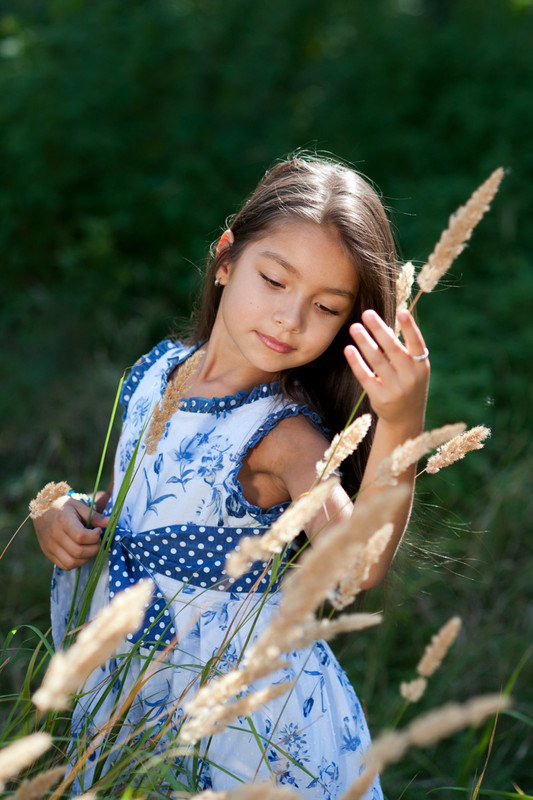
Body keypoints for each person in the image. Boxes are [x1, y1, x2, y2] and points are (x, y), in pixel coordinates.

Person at [33, 155, 430, 797]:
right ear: (226, 258)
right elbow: (127, 507)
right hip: (139, 693)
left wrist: (402, 421)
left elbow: (358, 567)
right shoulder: (157, 372)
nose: (290, 320)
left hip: (249, 734)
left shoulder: (285, 439)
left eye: (326, 308)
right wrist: (65, 511)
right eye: (274, 281)